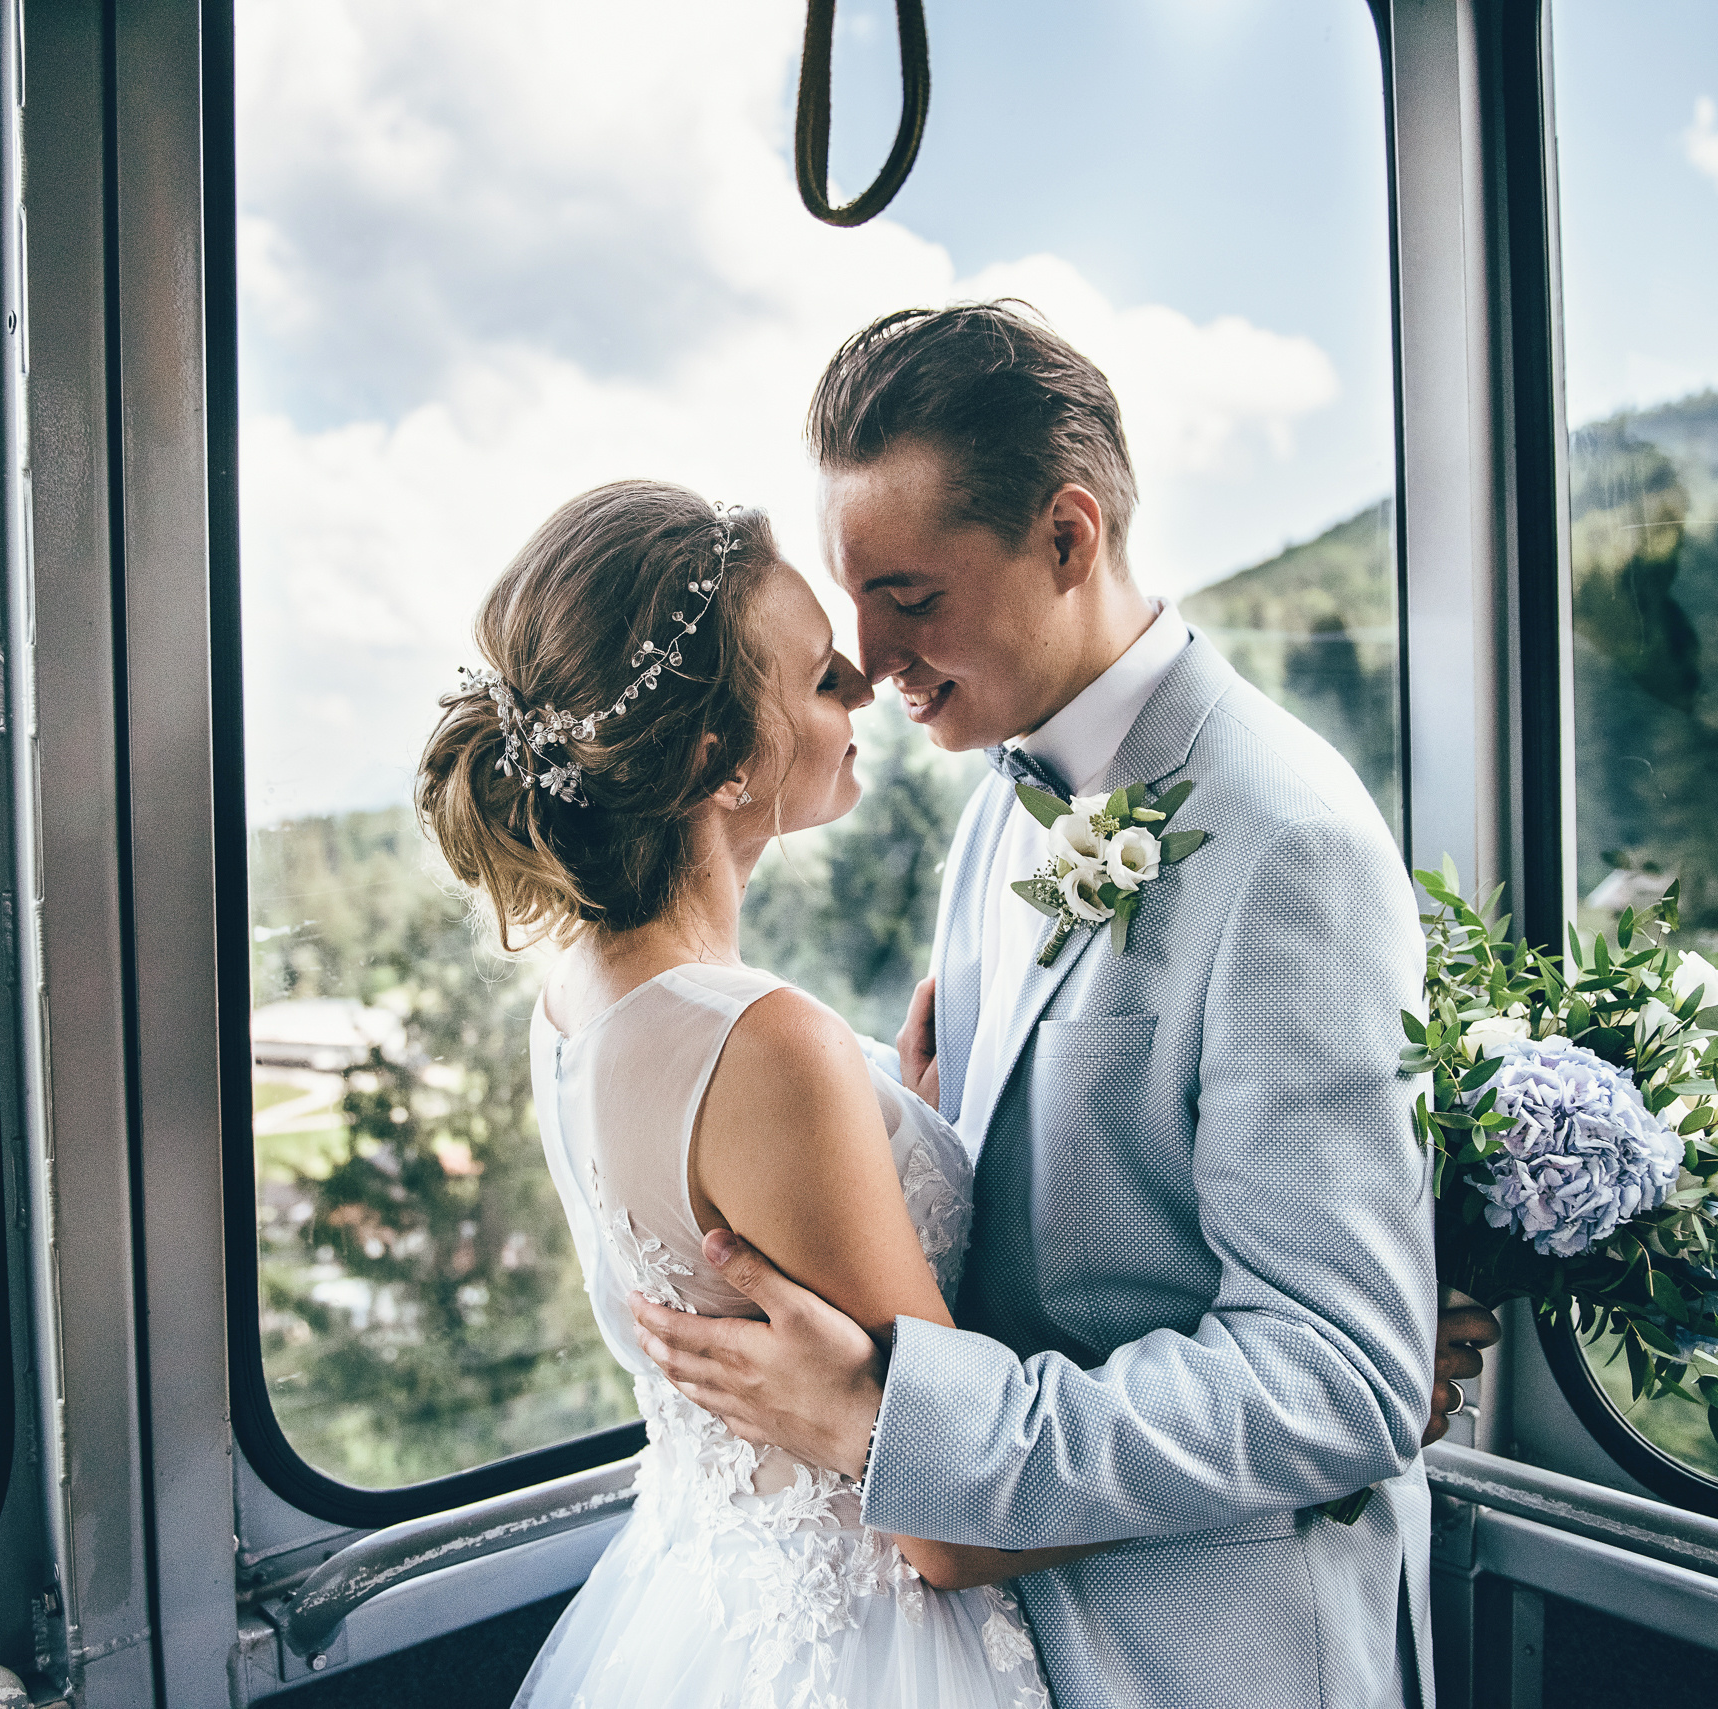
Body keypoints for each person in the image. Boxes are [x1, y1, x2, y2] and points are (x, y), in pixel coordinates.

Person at [630, 303, 1488, 1708]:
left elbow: (1341, 1375)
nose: (875, 658)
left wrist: (885, 1422)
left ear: (1069, 538)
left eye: (911, 595)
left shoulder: (1293, 843)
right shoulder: (997, 806)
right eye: (857, 603)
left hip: (1209, 1659)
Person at [418, 479, 1078, 1708]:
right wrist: (1309, 1442)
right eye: (826, 677)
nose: (870, 688)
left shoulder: (575, 998)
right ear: (719, 758)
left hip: (703, 1605)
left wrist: (904, 1123)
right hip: (866, 1646)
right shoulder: (767, 1045)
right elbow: (951, 1521)